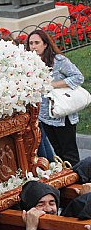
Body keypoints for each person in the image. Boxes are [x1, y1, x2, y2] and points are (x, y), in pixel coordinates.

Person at [29, 29, 84, 165]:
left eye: (37, 43)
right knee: (58, 152)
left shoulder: (59, 60)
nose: (33, 46)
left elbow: (78, 77)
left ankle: (81, 181)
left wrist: (53, 85)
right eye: (31, 43)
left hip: (62, 113)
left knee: (69, 152)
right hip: (45, 116)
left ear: (45, 44)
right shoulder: (29, 64)